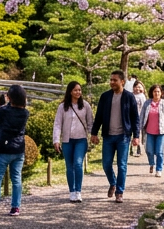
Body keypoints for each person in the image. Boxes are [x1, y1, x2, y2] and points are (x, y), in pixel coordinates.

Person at [90, 69, 140, 202]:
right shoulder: (105, 96)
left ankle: (119, 192)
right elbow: (99, 116)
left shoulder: (129, 97)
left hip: (123, 136)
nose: (112, 82)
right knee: (106, 164)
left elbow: (135, 117)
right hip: (108, 135)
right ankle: (113, 182)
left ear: (122, 81)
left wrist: (136, 136)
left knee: (122, 165)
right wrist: (94, 133)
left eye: (115, 80)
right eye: (111, 80)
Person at [0, 84, 30, 215]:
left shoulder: (4, 111)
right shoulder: (25, 113)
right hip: (18, 150)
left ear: (9, 97)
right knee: (16, 178)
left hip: (3, 149)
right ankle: (15, 207)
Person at [53, 81, 94, 202]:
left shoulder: (85, 105)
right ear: (70, 91)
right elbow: (57, 124)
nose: (78, 92)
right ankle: (72, 191)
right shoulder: (62, 106)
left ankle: (78, 191)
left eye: (80, 90)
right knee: (69, 166)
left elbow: (90, 122)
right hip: (67, 140)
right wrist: (56, 140)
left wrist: (93, 136)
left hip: (81, 139)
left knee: (77, 163)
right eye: (76, 90)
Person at [139, 84, 164, 176]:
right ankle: (152, 164)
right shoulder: (147, 103)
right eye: (155, 91)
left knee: (159, 152)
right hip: (149, 132)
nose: (157, 93)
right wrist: (138, 131)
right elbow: (141, 117)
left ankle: (159, 169)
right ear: (152, 92)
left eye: (158, 92)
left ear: (161, 93)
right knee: (149, 151)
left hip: (161, 131)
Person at [131, 80, 147, 155]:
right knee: (130, 133)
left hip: (139, 117)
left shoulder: (142, 96)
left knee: (138, 133)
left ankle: (138, 147)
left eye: (139, 87)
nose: (137, 88)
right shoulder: (130, 95)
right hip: (130, 117)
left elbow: (144, 107)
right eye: (136, 87)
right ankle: (131, 148)